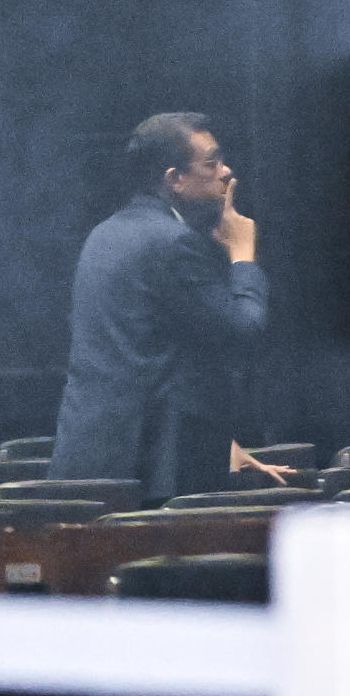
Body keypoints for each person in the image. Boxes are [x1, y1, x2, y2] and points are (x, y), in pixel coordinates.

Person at [49, 113, 294, 504]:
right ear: (174, 179)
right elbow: (244, 331)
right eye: (211, 163)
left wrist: (219, 443)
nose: (226, 172)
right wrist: (243, 253)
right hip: (151, 467)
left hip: (94, 456)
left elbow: (148, 353)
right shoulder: (172, 242)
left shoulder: (106, 233)